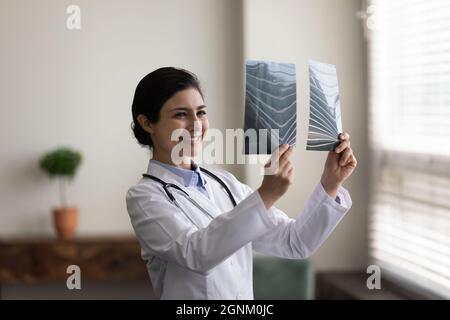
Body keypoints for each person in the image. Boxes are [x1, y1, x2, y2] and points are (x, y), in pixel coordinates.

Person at [126, 67, 357, 299]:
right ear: (147, 123)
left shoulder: (224, 183)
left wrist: (330, 183)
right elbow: (196, 253)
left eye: (201, 112)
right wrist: (266, 195)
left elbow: (294, 242)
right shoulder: (145, 197)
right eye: (181, 114)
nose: (196, 125)